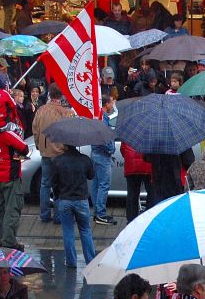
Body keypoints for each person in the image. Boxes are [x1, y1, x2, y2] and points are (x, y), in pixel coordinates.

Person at [32, 84, 74, 224]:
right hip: (61, 153)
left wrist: (39, 145)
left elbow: (35, 130)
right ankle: (58, 216)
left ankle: (44, 214)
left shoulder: (41, 110)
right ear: (61, 95)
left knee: (45, 184)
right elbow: (70, 134)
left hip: (46, 152)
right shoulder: (66, 113)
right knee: (60, 185)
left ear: (49, 94)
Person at [0, 116, 28, 250]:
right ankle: (9, 241)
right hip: (10, 177)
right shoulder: (8, 134)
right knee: (12, 209)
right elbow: (25, 148)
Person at [53, 144, 97, 268]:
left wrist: (57, 195)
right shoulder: (85, 159)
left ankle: (71, 261)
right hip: (81, 200)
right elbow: (91, 175)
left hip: (65, 200)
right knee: (85, 230)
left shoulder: (58, 161)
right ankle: (90, 261)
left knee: (68, 231)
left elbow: (54, 182)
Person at [91, 96, 117, 226]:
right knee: (104, 184)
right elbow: (105, 137)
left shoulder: (97, 116)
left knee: (96, 184)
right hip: (102, 155)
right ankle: (101, 214)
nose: (113, 104)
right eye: (112, 102)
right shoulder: (103, 118)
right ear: (107, 104)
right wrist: (111, 149)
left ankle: (97, 212)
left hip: (95, 153)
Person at [121, 142, 153, 223]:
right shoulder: (151, 134)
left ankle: (131, 221)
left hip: (132, 165)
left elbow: (123, 149)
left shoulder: (129, 134)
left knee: (132, 194)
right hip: (148, 165)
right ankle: (149, 219)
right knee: (151, 193)